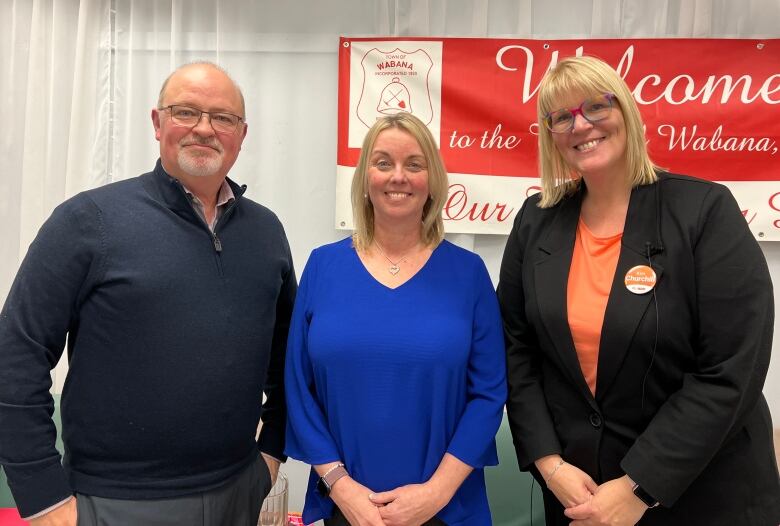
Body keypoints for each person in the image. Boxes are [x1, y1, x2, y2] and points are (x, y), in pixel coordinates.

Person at [0, 62, 297, 526]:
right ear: (157, 123)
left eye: (223, 118)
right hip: (115, 503)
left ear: (242, 134)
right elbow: (16, 354)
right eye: (186, 112)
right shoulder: (88, 221)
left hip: (239, 491)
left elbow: (285, 356)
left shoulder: (266, 231)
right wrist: (44, 501)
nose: (204, 128)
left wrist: (272, 449)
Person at [497, 54, 780, 526]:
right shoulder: (536, 221)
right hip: (579, 493)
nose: (580, 125)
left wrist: (638, 486)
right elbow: (516, 349)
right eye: (561, 117)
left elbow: (731, 367)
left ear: (625, 110)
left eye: (595, 107)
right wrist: (550, 464)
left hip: (703, 492)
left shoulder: (704, 210)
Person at [285, 113, 506, 526]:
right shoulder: (322, 267)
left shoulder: (469, 274)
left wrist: (435, 494)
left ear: (433, 181)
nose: (398, 176)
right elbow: (298, 388)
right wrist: (341, 486)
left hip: (447, 509)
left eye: (414, 164)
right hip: (346, 508)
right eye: (383, 162)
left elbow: (490, 393)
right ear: (365, 178)